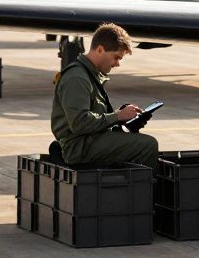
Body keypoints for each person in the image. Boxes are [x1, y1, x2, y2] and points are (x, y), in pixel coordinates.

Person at [50, 23, 159, 171]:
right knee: (147, 145)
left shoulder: (88, 74)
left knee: (137, 143)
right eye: (116, 57)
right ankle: (147, 193)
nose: (117, 64)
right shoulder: (77, 78)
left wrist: (124, 118)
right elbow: (80, 123)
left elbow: (91, 115)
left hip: (87, 141)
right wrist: (117, 116)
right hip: (79, 147)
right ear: (100, 50)